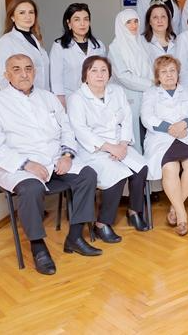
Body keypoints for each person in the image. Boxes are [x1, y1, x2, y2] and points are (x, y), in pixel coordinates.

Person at [0, 54, 100, 276]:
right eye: (16, 69)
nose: (24, 74)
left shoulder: (48, 98)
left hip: (54, 160)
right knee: (31, 188)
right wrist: (25, 164)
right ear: (6, 75)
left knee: (88, 175)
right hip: (17, 166)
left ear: (35, 72)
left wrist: (66, 155)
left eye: (28, 68)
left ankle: (75, 237)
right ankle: (38, 247)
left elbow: (67, 129)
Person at [67, 56, 149, 239]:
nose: (99, 75)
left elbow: (126, 118)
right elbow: (81, 130)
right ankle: (102, 223)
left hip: (120, 144)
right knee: (116, 175)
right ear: (85, 75)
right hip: (93, 150)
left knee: (141, 168)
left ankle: (134, 211)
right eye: (94, 70)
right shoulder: (77, 98)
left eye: (103, 70)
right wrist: (110, 148)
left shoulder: (117, 91)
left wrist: (123, 144)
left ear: (109, 74)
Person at [141, 55, 188, 236]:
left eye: (172, 70)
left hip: (186, 135)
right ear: (157, 76)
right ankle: (181, 216)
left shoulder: (187, 91)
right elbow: (147, 117)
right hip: (161, 138)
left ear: (178, 73)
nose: (169, 75)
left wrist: (183, 124)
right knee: (170, 168)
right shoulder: (150, 93)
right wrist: (169, 128)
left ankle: (174, 208)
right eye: (164, 72)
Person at [108, 9, 152, 152]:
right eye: (128, 22)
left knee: (147, 133)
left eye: (136, 21)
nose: (134, 25)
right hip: (129, 95)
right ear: (121, 25)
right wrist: (150, 84)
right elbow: (122, 76)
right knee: (132, 134)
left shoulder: (142, 42)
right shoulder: (115, 47)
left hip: (147, 94)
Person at [50, 3, 106, 107]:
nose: (82, 23)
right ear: (69, 23)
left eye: (86, 19)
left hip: (96, 100)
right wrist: (62, 104)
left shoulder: (99, 46)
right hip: (71, 100)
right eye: (77, 19)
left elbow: (104, 74)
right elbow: (56, 79)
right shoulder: (59, 46)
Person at [0, 0, 50, 91]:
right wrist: (19, 98)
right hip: (22, 97)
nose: (28, 17)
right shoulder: (6, 41)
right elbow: (3, 78)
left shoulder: (36, 39)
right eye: (22, 13)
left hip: (43, 95)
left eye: (31, 12)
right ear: (12, 17)